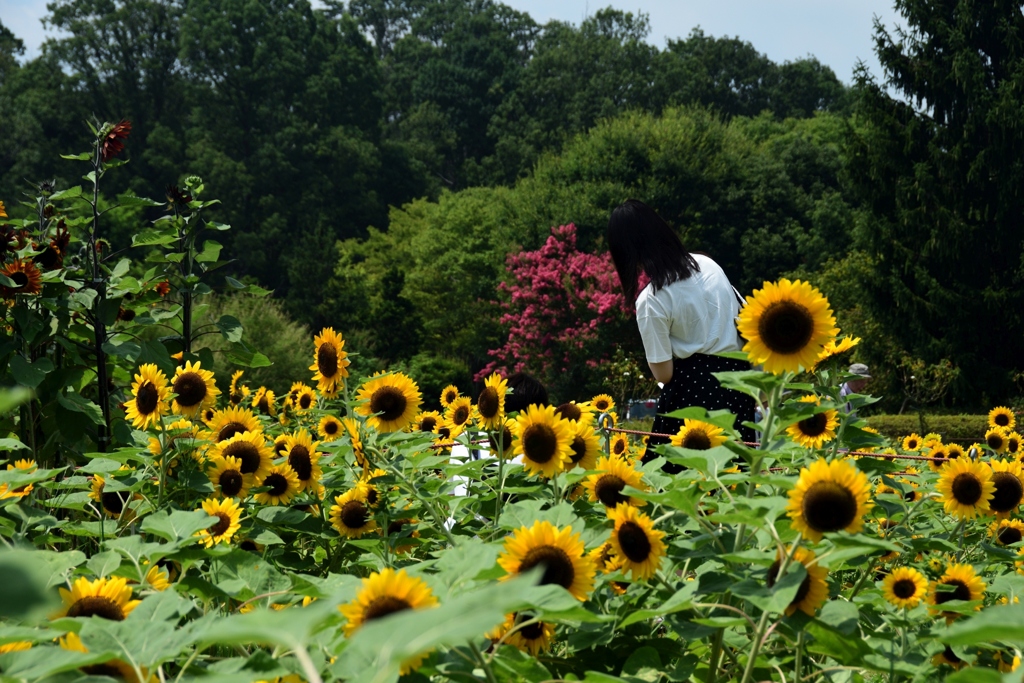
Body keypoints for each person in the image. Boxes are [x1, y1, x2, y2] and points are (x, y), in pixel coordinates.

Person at [607, 199, 755, 471]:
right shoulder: (708, 264)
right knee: (736, 478)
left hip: (694, 393)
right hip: (740, 383)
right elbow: (744, 321)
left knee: (680, 482)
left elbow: (663, 373)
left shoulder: (652, 300)